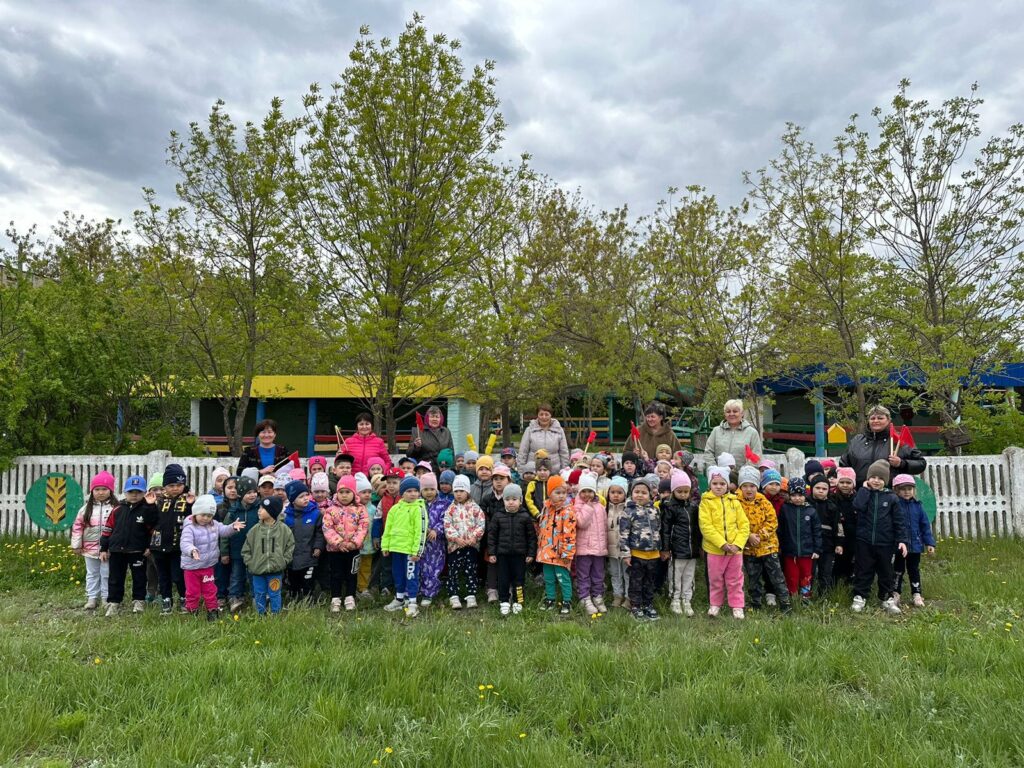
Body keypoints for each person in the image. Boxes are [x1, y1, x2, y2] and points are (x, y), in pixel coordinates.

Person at [851, 460, 907, 615]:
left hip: (885, 543)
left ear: (886, 480)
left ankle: (886, 598)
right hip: (864, 541)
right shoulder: (863, 493)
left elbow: (899, 521)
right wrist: (864, 489)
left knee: (886, 572)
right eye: (873, 477)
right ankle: (860, 596)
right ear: (868, 478)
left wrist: (902, 540)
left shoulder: (891, 498)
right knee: (863, 570)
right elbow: (857, 506)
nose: (876, 481)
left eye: (880, 478)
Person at [99, 475, 158, 616]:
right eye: (131, 492)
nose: (134, 495)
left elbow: (153, 528)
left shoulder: (147, 509)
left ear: (144, 493)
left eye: (138, 492)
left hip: (137, 550)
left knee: (139, 577)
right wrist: (104, 548)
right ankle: (114, 602)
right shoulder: (117, 508)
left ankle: (138, 601)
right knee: (115, 578)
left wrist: (149, 546)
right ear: (125, 492)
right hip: (116, 550)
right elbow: (108, 528)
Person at [179, 495, 245, 620]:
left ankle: (212, 611)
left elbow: (224, 530)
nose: (206, 518)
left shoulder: (214, 524)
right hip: (191, 567)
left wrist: (232, 527)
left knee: (210, 590)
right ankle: (192, 611)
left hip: (208, 566)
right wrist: (192, 550)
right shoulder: (190, 527)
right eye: (203, 515)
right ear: (196, 512)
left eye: (209, 516)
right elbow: (185, 543)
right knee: (193, 592)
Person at [736, 466, 790, 614]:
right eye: (745, 486)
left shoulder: (764, 502)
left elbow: (772, 522)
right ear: (740, 487)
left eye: (752, 486)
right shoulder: (735, 503)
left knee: (777, 576)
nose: (749, 489)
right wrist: (748, 536)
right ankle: (756, 602)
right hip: (749, 548)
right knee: (753, 577)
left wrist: (760, 535)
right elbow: (734, 522)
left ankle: (785, 602)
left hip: (768, 546)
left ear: (757, 486)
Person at [699, 467, 750, 619]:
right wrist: (721, 543)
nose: (719, 486)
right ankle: (715, 603)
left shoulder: (735, 502)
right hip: (715, 550)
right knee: (715, 579)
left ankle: (737, 605)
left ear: (727, 485)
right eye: (715, 483)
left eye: (722, 483)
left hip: (735, 550)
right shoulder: (705, 502)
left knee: (735, 579)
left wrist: (738, 544)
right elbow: (706, 526)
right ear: (710, 485)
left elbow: (744, 525)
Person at [839, 404, 927, 485]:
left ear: (888, 420)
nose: (876, 421)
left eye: (880, 418)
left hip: (891, 493)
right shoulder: (857, 440)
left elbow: (921, 464)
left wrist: (901, 463)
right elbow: (844, 464)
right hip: (861, 491)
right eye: (872, 418)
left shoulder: (899, 440)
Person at [486, 484, 538, 616]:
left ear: (520, 501)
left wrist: (531, 553)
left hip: (520, 556)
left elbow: (532, 537)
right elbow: (492, 536)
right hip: (502, 555)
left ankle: (518, 601)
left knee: (519, 580)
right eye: (507, 499)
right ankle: (504, 601)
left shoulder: (525, 517)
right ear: (503, 501)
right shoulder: (498, 516)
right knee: (503, 579)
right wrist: (492, 552)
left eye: (514, 499)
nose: (511, 502)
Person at [381, 476, 429, 617]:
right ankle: (399, 598)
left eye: (415, 491)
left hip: (410, 552)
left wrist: (417, 551)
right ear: (402, 493)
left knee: (411, 576)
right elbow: (388, 528)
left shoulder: (419, 509)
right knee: (398, 574)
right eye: (409, 491)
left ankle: (412, 602)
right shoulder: (395, 509)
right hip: (396, 549)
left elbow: (421, 531)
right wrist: (385, 546)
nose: (413, 494)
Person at [150, 464, 194, 614]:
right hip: (159, 545)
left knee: (178, 575)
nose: (175, 488)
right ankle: (166, 599)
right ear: (165, 486)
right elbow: (151, 520)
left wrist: (191, 505)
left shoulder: (187, 500)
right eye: (171, 485)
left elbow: (193, 519)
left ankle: (184, 598)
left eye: (179, 485)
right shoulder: (159, 501)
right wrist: (149, 506)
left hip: (178, 546)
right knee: (163, 575)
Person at [71, 471, 118, 611]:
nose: (100, 492)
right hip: (89, 549)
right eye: (97, 489)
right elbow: (77, 527)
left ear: (111, 490)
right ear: (92, 491)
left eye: (104, 489)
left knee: (107, 573)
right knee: (92, 573)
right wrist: (76, 545)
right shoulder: (85, 509)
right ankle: (92, 598)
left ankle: (105, 598)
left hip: (108, 549)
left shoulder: (116, 508)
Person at [241, 496, 295, 616]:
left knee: (275, 593)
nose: (259, 511)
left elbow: (290, 546)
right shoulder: (254, 530)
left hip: (276, 571)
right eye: (259, 508)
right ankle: (260, 614)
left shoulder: (284, 530)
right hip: (257, 571)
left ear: (272, 511)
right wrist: (251, 563)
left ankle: (276, 614)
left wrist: (284, 561)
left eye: (262, 508)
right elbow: (246, 549)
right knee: (259, 593)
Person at [323, 476, 368, 612]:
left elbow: (363, 527)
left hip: (353, 549)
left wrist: (355, 542)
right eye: (341, 492)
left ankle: (350, 596)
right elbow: (327, 527)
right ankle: (335, 597)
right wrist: (339, 543)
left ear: (354, 493)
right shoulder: (330, 510)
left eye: (347, 492)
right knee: (335, 574)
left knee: (352, 574)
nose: (344, 495)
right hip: (335, 550)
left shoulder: (360, 509)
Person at [619, 478, 662, 621]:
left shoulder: (655, 510)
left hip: (653, 554)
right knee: (636, 583)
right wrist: (626, 554)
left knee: (650, 582)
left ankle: (648, 605)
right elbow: (623, 534)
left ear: (650, 494)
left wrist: (660, 548)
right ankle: (635, 607)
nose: (640, 495)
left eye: (644, 492)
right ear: (631, 493)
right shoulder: (628, 512)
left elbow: (658, 529)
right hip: (636, 555)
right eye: (636, 492)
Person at [891, 475, 936, 608]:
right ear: (896, 490)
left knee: (914, 570)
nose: (907, 492)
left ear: (914, 490)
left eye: (909, 489)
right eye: (903, 489)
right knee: (898, 570)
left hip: (915, 545)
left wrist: (929, 543)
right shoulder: (895, 506)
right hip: (899, 546)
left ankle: (916, 593)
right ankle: (895, 593)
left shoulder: (918, 506)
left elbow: (925, 526)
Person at [660, 471, 701, 617]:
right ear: (673, 491)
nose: (683, 494)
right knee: (676, 575)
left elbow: (697, 529)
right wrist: (665, 548)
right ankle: (675, 599)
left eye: (686, 491)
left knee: (689, 575)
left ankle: (686, 599)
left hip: (692, 550)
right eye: (679, 491)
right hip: (676, 550)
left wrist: (699, 547)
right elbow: (665, 530)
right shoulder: (669, 507)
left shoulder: (694, 507)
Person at [443, 475, 486, 609]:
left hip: (471, 546)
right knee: (453, 571)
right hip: (455, 547)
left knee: (471, 570)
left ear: (467, 491)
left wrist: (474, 537)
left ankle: (471, 595)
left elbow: (481, 524)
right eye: (456, 491)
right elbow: (447, 525)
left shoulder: (475, 508)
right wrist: (456, 538)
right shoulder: (450, 509)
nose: (459, 494)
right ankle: (453, 595)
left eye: (462, 491)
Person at [536, 475, 576, 615]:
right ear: (549, 493)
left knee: (563, 578)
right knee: (548, 578)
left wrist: (567, 553)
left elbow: (570, 534)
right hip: (546, 552)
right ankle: (550, 599)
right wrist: (540, 547)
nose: (561, 496)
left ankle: (567, 601)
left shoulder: (568, 511)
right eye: (557, 492)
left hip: (560, 553)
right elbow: (542, 529)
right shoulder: (546, 509)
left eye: (564, 492)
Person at [777, 478, 822, 603]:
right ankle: (793, 597)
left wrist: (817, 549)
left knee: (806, 574)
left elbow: (817, 531)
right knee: (791, 575)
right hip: (789, 551)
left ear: (805, 495)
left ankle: (805, 597)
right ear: (789, 495)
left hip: (807, 551)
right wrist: (780, 545)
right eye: (794, 495)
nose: (797, 498)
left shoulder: (811, 511)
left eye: (800, 495)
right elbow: (780, 529)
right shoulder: (785, 509)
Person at [221, 477, 261, 613]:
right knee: (237, 576)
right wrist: (224, 552)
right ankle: (235, 598)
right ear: (240, 494)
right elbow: (225, 532)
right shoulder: (233, 512)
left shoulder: (259, 509)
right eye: (248, 492)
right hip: (237, 550)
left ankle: (257, 598)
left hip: (255, 551)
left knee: (254, 575)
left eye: (254, 491)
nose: (253, 495)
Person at [283, 481, 325, 603]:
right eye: (301, 497)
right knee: (293, 580)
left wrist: (318, 547)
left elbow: (319, 532)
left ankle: (309, 599)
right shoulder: (286, 517)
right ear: (292, 500)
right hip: (292, 557)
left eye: (307, 494)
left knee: (308, 580)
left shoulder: (315, 513)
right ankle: (294, 598)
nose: (306, 498)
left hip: (309, 556)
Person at [573, 474, 608, 616]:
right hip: (584, 549)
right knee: (584, 575)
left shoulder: (601, 507)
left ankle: (597, 595)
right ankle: (584, 597)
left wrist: (605, 546)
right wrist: (587, 507)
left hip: (599, 549)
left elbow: (604, 528)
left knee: (598, 574)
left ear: (595, 492)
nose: (587, 494)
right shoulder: (577, 506)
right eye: (584, 491)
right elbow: (581, 523)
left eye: (590, 491)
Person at [808, 473, 843, 594]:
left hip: (827, 545)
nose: (821, 491)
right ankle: (806, 595)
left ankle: (824, 596)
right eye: (818, 488)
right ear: (812, 488)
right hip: (809, 545)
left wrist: (839, 543)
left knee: (825, 572)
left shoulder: (832, 507)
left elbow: (838, 526)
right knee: (809, 572)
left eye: (824, 489)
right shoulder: (806, 504)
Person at [703, 399, 764, 469]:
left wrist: (744, 472)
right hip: (718, 474)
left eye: (735, 411)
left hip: (743, 474)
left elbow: (756, 456)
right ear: (725, 414)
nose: (731, 414)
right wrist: (715, 470)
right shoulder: (716, 431)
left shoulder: (752, 433)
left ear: (742, 413)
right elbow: (708, 453)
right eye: (728, 411)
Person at [417, 473, 447, 607]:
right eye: (425, 489)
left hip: (436, 545)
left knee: (433, 569)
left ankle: (429, 593)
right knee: (420, 567)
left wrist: (436, 530)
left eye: (432, 489)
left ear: (436, 489)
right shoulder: (417, 504)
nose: (429, 492)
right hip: (419, 543)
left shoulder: (443, 504)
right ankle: (418, 590)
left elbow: (445, 520)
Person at [517, 404, 570, 474]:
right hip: (533, 472)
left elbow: (564, 452)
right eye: (541, 414)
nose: (544, 417)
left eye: (546, 414)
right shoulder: (529, 430)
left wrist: (564, 472)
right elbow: (523, 452)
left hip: (554, 472)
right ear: (537, 415)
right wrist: (521, 472)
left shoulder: (559, 430)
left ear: (551, 415)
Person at [605, 477, 630, 609]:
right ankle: (617, 595)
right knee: (615, 573)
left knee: (627, 574)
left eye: (619, 492)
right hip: (611, 550)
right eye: (613, 492)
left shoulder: (628, 509)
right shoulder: (605, 509)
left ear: (625, 494)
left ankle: (628, 597)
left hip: (625, 550)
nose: (615, 495)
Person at [408, 405, 454, 470]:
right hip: (425, 469)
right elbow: (409, 454)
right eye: (432, 416)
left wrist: (453, 469)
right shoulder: (418, 431)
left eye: (437, 417)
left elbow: (451, 452)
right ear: (427, 418)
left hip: (443, 468)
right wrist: (416, 447)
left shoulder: (446, 431)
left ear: (441, 419)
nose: (434, 419)